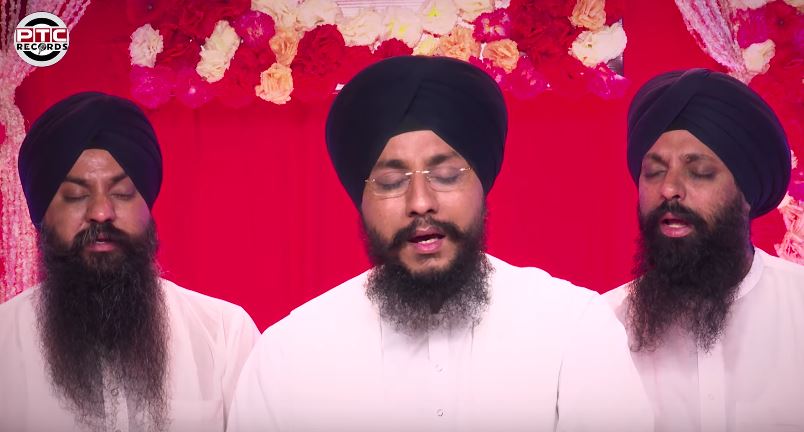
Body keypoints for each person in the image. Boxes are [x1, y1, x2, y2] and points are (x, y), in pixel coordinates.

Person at [227, 56, 652, 432]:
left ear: (482, 185)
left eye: (446, 176)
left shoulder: (572, 327)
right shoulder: (291, 354)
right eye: (391, 182)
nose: (420, 202)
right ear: (361, 201)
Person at [0, 92, 259, 432]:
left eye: (122, 193)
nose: (101, 212)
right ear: (41, 215)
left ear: (147, 206)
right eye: (76, 195)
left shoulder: (223, 333)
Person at [605, 68, 804, 431]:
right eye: (654, 171)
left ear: (746, 192)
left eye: (698, 172)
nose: (669, 189)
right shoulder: (604, 326)